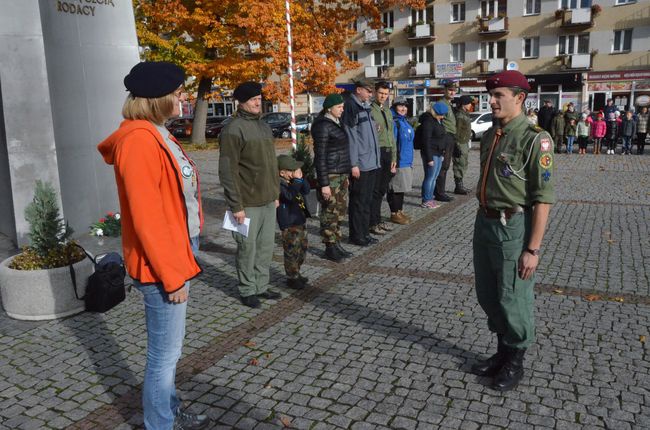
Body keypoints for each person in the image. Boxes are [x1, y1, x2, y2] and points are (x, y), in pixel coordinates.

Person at [98, 61, 209, 430]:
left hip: (175, 251)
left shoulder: (156, 132)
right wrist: (172, 275)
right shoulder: (139, 141)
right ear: (159, 99)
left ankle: (170, 410)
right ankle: (159, 423)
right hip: (162, 263)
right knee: (164, 354)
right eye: (177, 93)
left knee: (171, 352)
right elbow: (148, 218)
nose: (182, 99)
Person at [471, 70, 555, 392]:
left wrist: (532, 250)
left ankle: (515, 360)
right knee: (489, 293)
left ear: (519, 98)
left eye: (497, 96)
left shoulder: (535, 138)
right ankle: (501, 352)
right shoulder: (494, 132)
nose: (490, 101)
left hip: (512, 226)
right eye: (490, 95)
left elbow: (542, 198)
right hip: (485, 223)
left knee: (512, 296)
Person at [219, 81, 282, 308]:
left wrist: (275, 192)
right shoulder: (233, 129)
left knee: (265, 248)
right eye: (253, 99)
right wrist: (236, 205)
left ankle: (261, 286)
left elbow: (271, 164)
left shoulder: (264, 126)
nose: (258, 102)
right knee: (247, 248)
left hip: (267, 200)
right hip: (247, 202)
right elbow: (228, 170)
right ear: (241, 102)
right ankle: (247, 289)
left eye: (259, 98)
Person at [311, 93, 353, 262]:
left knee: (340, 211)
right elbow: (320, 156)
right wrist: (324, 184)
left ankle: (336, 243)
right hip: (330, 174)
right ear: (329, 108)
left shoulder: (336, 123)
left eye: (342, 107)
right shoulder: (323, 126)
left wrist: (346, 174)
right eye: (339, 107)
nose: (342, 110)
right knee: (329, 211)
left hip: (341, 174)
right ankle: (329, 246)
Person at [343, 79, 381, 247]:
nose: (371, 94)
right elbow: (351, 138)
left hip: (371, 161)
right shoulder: (351, 106)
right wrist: (353, 164)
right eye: (368, 91)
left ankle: (364, 233)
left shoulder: (365, 106)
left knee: (366, 201)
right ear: (358, 90)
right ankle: (356, 235)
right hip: (361, 164)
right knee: (358, 202)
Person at [277, 154, 310, 289]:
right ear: (282, 172)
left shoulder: (294, 181)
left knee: (301, 250)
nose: (294, 172)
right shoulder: (279, 184)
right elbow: (289, 196)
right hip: (289, 223)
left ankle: (297, 271)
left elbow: (307, 190)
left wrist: (301, 179)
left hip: (299, 220)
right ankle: (292, 277)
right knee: (292, 252)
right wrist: (297, 181)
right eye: (291, 170)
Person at [369, 81, 397, 236]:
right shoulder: (370, 110)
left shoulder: (387, 111)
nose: (383, 96)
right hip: (377, 152)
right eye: (381, 93)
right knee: (375, 190)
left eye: (386, 94)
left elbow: (391, 135)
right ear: (375, 92)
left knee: (381, 190)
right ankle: (372, 222)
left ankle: (378, 220)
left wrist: (394, 156)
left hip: (387, 152)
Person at [388, 99, 415, 224]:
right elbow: (392, 143)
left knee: (402, 188)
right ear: (394, 107)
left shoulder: (404, 121)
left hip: (406, 161)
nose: (403, 108)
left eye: (405, 106)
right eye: (400, 106)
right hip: (398, 161)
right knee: (395, 188)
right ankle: (394, 213)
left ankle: (400, 210)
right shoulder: (394, 122)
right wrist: (393, 161)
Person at [418, 101, 448, 209]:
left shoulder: (438, 120)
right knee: (430, 177)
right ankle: (426, 200)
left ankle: (430, 198)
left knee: (434, 177)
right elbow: (426, 140)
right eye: (441, 114)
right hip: (431, 153)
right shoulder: (428, 121)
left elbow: (441, 137)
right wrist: (429, 158)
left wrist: (442, 152)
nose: (443, 117)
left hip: (438, 152)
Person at [435, 80, 460, 200]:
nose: (452, 92)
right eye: (450, 90)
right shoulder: (441, 104)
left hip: (450, 138)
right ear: (444, 90)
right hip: (444, 138)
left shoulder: (449, 104)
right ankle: (439, 193)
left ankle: (439, 191)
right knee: (443, 166)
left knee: (445, 166)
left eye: (454, 91)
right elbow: (437, 121)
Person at [454, 95, 474, 194]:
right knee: (459, 164)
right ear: (464, 104)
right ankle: (458, 187)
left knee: (464, 163)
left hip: (465, 142)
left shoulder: (465, 114)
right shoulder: (460, 116)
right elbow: (456, 132)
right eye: (469, 103)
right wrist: (457, 146)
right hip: (460, 143)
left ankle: (460, 185)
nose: (471, 105)